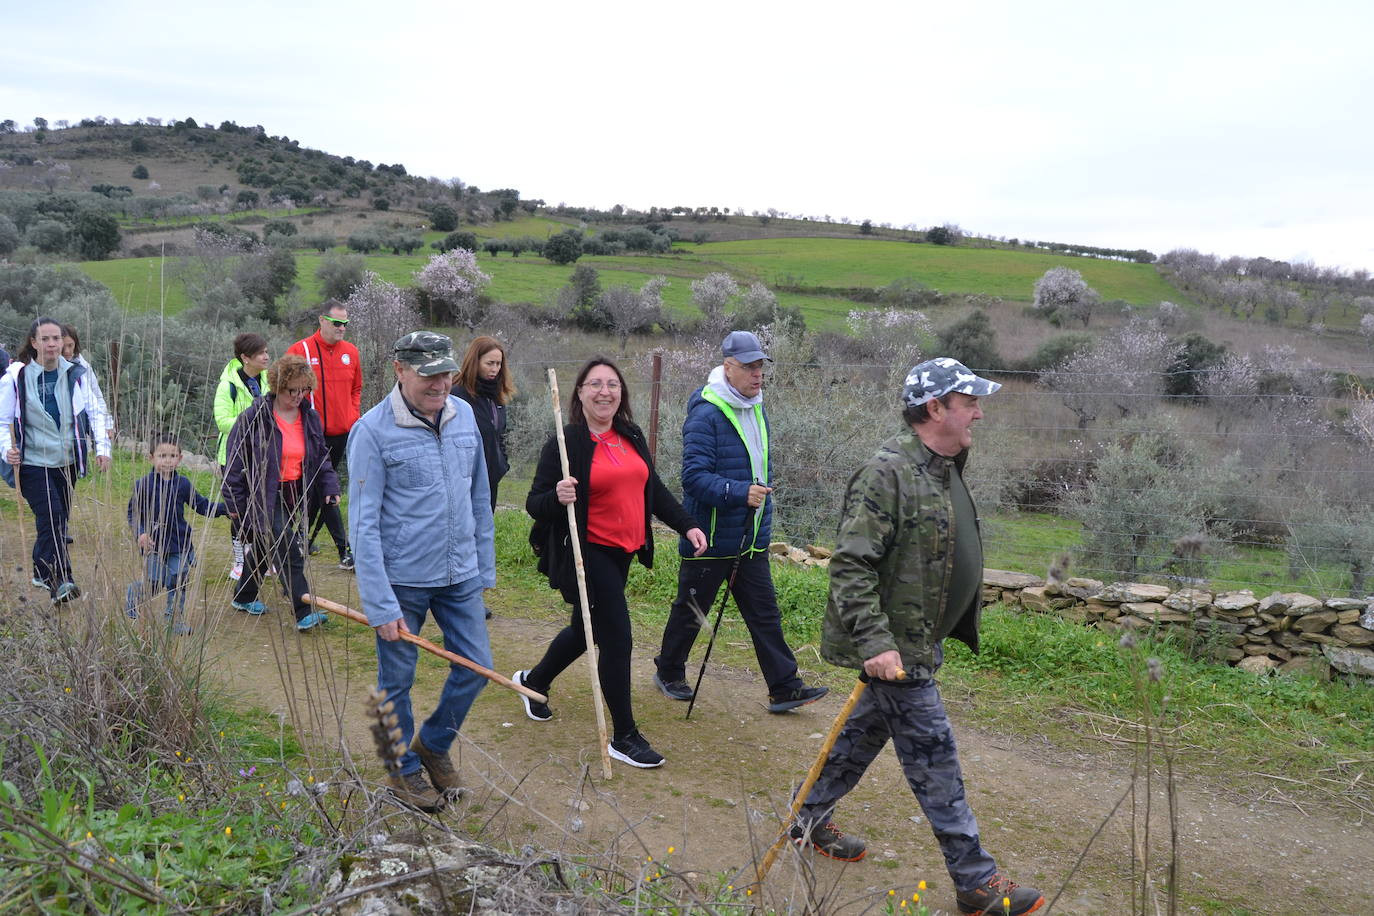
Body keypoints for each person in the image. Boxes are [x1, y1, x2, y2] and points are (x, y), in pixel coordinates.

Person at [789, 358, 1044, 916]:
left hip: (917, 642)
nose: (979, 411)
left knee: (859, 737)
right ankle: (976, 883)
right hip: (896, 651)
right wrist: (877, 643)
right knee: (936, 761)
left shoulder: (944, 465)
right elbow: (851, 566)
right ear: (935, 408)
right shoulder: (887, 472)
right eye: (969, 402)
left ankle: (804, 820)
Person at [517, 357, 708, 769]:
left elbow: (651, 488)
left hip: (624, 550)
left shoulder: (630, 433)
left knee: (584, 628)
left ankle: (533, 683)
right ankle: (624, 736)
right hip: (589, 552)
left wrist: (687, 524)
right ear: (580, 393)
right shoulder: (566, 442)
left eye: (612, 384)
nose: (605, 391)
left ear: (621, 392)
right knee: (617, 637)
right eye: (595, 384)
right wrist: (559, 497)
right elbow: (535, 504)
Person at [348, 331, 495, 812]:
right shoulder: (371, 432)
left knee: (477, 668)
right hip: (403, 580)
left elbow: (479, 496)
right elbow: (363, 525)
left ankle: (431, 744)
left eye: (446, 373)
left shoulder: (465, 416)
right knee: (397, 682)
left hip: (460, 574)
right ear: (399, 370)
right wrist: (380, 602)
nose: (440, 384)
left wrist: (483, 564)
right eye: (429, 374)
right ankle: (401, 768)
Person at [653, 330, 827, 713]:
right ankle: (668, 671)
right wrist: (738, 491)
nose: (757, 374)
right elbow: (693, 477)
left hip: (750, 538)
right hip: (709, 537)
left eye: (760, 366)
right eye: (749, 367)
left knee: (764, 613)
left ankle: (784, 687)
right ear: (728, 367)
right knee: (692, 611)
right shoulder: (707, 413)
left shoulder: (756, 406)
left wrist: (756, 494)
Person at [223, 354, 339, 631]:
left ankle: (244, 595)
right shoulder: (254, 418)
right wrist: (235, 502)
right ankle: (302, 611)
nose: (298, 396)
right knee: (288, 549)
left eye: (304, 389)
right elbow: (234, 462)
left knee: (266, 546)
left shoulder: (309, 417)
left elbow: (321, 457)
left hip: (293, 493)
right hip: (262, 494)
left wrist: (330, 486)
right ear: (277, 386)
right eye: (292, 390)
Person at [0, 316, 112, 603]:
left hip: (67, 460)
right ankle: (61, 580)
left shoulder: (77, 374)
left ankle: (40, 565)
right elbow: (2, 422)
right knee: (53, 515)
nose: (52, 343)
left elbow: (96, 411)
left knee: (56, 520)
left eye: (56, 338)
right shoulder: (16, 377)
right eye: (45, 339)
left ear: (64, 342)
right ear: (34, 343)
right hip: (32, 462)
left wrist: (102, 448)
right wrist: (6, 450)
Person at [125, 432, 227, 634]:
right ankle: (135, 593)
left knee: (178, 578)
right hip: (153, 544)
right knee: (155, 581)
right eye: (162, 456)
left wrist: (226, 509)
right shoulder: (143, 485)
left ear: (180, 458)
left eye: (172, 456)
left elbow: (201, 505)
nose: (167, 461)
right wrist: (141, 534)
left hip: (179, 543)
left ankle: (174, 621)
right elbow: (133, 514)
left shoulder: (183, 484)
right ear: (151, 458)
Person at [288, 299, 360, 570]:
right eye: (336, 323)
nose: (341, 328)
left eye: (345, 323)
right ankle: (345, 550)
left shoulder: (351, 352)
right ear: (322, 320)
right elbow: (285, 390)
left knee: (318, 490)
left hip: (343, 433)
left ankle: (299, 538)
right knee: (325, 489)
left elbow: (357, 388)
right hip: (311, 435)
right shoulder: (300, 350)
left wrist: (352, 416)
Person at [213, 332, 272, 580]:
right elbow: (222, 421)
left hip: (263, 456)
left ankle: (260, 559)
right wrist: (253, 419)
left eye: (266, 351)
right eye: (261, 353)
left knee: (262, 509)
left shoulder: (269, 380)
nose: (266, 357)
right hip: (234, 456)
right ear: (245, 358)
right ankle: (240, 561)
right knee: (238, 510)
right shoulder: (228, 385)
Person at [451, 336, 514, 511]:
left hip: (490, 483)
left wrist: (502, 464)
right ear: (475, 362)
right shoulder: (455, 396)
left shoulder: (497, 397)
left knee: (484, 533)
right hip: (463, 485)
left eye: (499, 364)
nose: (495, 369)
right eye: (490, 363)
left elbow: (499, 435)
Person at [61, 325, 114, 444]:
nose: (67, 351)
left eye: (70, 345)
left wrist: (107, 423)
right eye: (63, 347)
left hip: (83, 420)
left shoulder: (83, 366)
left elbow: (96, 395)